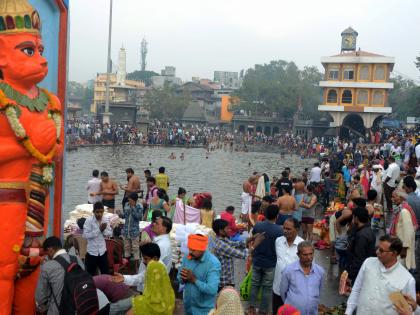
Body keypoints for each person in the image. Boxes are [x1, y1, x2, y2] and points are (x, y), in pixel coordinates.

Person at [345, 235, 416, 315]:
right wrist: (348, 311)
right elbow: (357, 289)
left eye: (381, 250)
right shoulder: (368, 263)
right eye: (377, 248)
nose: (377, 252)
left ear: (394, 254)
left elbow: (409, 309)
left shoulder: (407, 279)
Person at [35, 237, 86, 315]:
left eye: (47, 253)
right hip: (80, 307)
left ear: (50, 250)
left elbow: (40, 297)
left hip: (57, 310)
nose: (47, 257)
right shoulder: (77, 259)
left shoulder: (47, 266)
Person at [110, 243, 166, 313]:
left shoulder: (158, 270)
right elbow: (140, 277)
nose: (143, 261)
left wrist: (137, 306)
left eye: (146, 259)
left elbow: (155, 299)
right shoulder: (155, 265)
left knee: (120, 308)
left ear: (155, 258)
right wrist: (124, 278)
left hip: (152, 303)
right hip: (146, 298)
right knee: (117, 307)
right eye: (143, 258)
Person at [248, 205, 283, 315]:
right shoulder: (279, 230)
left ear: (265, 214)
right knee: (267, 288)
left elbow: (252, 240)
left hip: (257, 260)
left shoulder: (258, 225)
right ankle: (263, 310)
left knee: (254, 285)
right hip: (271, 263)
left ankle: (251, 309)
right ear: (277, 216)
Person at [212, 219, 264, 290]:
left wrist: (252, 238)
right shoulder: (221, 245)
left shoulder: (222, 239)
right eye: (227, 228)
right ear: (221, 231)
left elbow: (235, 244)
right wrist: (255, 245)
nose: (230, 230)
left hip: (227, 278)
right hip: (224, 281)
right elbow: (242, 254)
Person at [177, 234, 221, 315]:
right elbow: (179, 278)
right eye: (189, 249)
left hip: (204, 311)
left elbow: (212, 290)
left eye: (193, 250)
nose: (190, 252)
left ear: (202, 249)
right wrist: (183, 278)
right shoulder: (187, 258)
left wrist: (194, 280)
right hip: (188, 307)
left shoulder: (213, 263)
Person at [280, 241, 325, 315]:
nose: (309, 257)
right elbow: (283, 292)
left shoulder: (320, 271)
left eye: (311, 254)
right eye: (305, 255)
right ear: (298, 255)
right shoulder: (288, 271)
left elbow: (319, 291)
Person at [272, 218, 304, 314]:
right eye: (284, 228)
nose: (285, 231)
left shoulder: (302, 245)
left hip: (293, 290)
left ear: (297, 230)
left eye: (289, 229)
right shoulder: (278, 241)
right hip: (277, 287)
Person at [345, 207, 376, 282]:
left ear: (356, 218)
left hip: (358, 272)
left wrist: (351, 275)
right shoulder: (368, 230)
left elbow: (359, 257)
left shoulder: (362, 235)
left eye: (353, 217)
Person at [390, 190, 417, 270]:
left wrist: (404, 249)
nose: (392, 199)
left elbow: (409, 232)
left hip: (402, 248)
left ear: (401, 198)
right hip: (399, 245)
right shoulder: (401, 209)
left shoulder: (404, 211)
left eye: (394, 197)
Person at [83, 201, 112, 276]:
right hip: (92, 252)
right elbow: (85, 235)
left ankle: (103, 287)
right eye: (97, 212)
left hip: (102, 251)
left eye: (101, 212)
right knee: (90, 275)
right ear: (93, 211)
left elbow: (110, 233)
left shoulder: (105, 219)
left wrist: (103, 230)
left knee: (105, 274)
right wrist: (99, 230)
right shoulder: (89, 221)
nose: (99, 214)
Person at [117, 192, 143, 268]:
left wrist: (133, 208)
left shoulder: (139, 206)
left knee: (135, 248)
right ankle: (126, 265)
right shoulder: (126, 205)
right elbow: (124, 216)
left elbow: (138, 217)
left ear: (135, 200)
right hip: (126, 230)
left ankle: (136, 266)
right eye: (129, 199)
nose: (129, 201)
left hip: (134, 231)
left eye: (130, 199)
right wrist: (119, 214)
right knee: (126, 247)